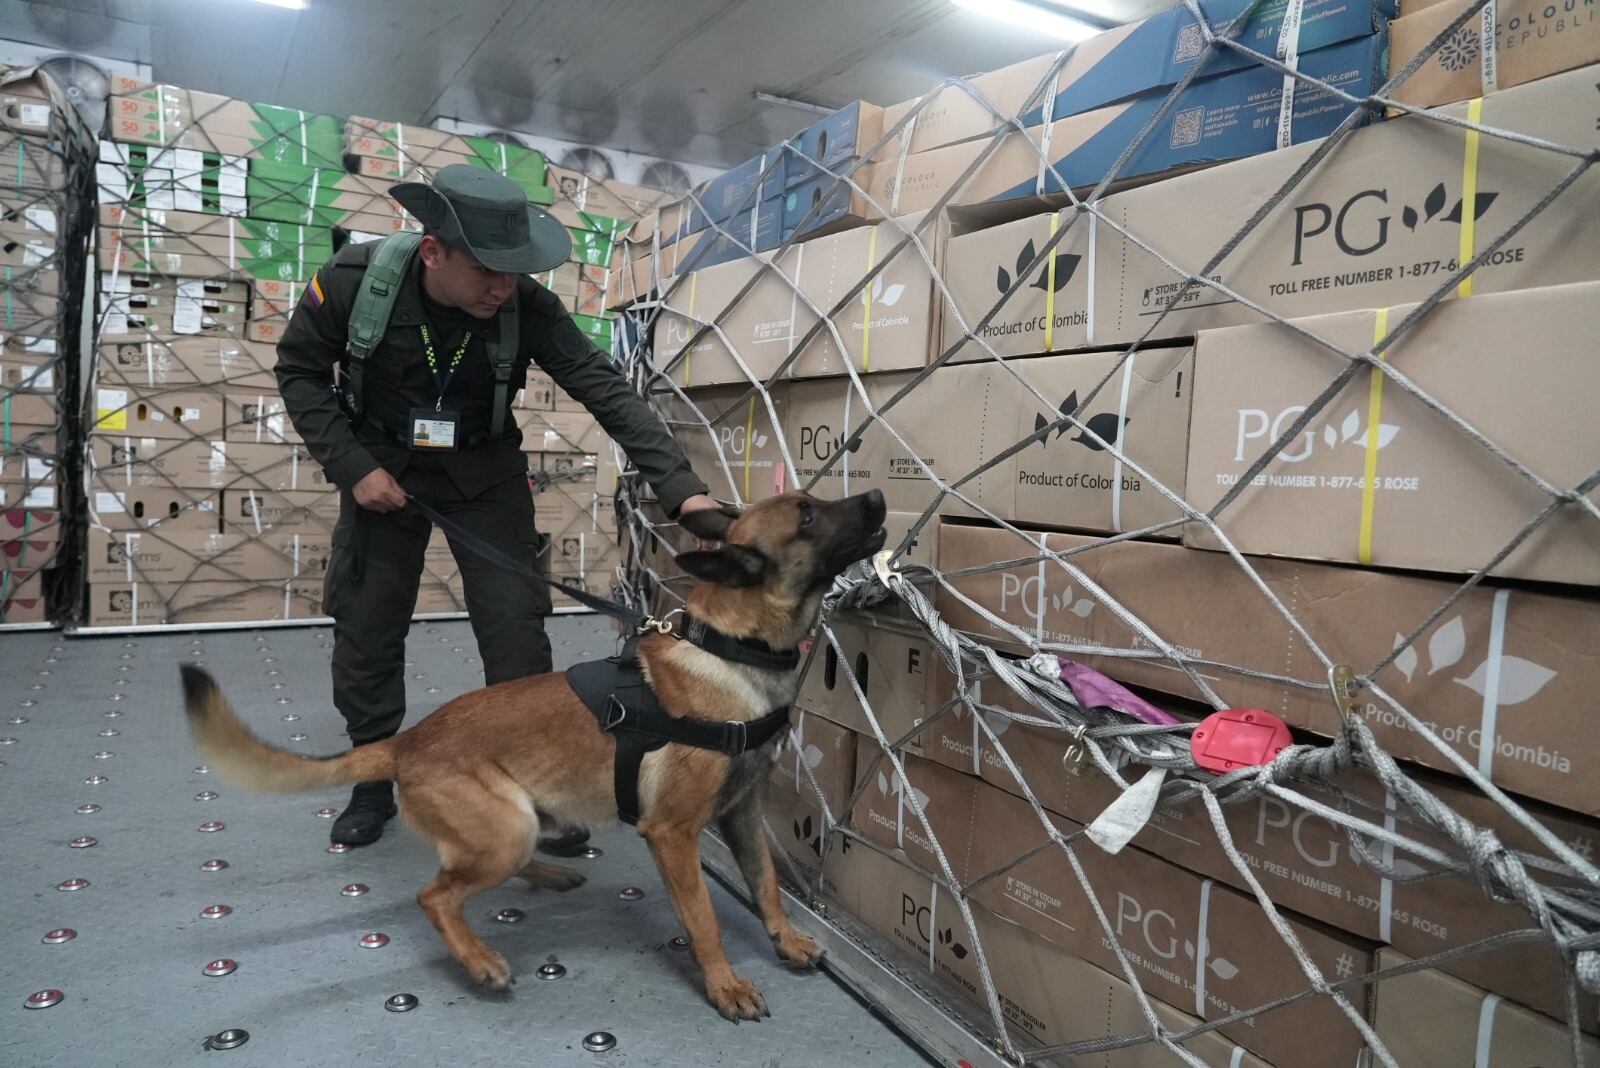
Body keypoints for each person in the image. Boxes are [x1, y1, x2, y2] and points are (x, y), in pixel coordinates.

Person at [275, 165, 718, 850]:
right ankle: (372, 776)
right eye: (486, 269)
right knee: (368, 622)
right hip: (381, 471)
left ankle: (533, 781)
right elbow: (298, 371)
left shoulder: (524, 306)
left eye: (513, 270)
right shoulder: (353, 284)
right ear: (433, 252)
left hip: (485, 476)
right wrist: (352, 466)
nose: (501, 286)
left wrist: (680, 487)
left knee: (516, 629)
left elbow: (604, 388)